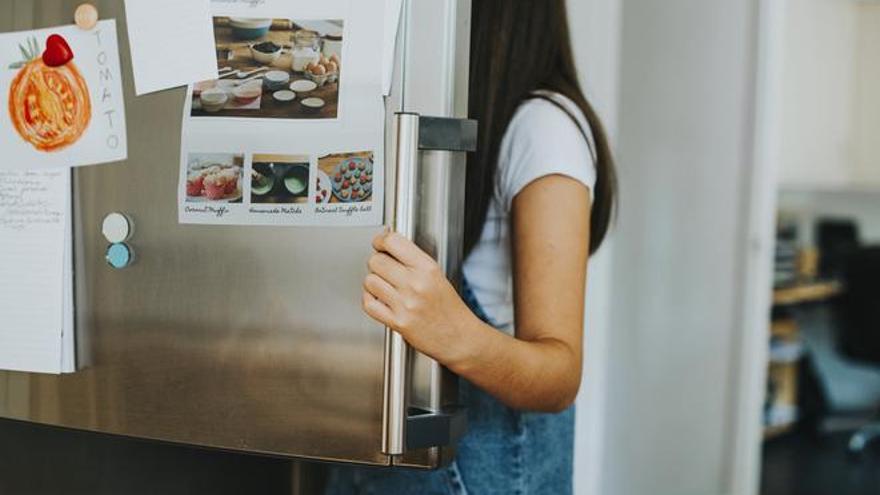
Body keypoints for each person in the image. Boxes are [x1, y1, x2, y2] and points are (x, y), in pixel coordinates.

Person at [325, 1, 616, 493]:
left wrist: (452, 331)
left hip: (478, 473)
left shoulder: (545, 127)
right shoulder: (427, 110)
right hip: (371, 450)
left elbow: (560, 374)